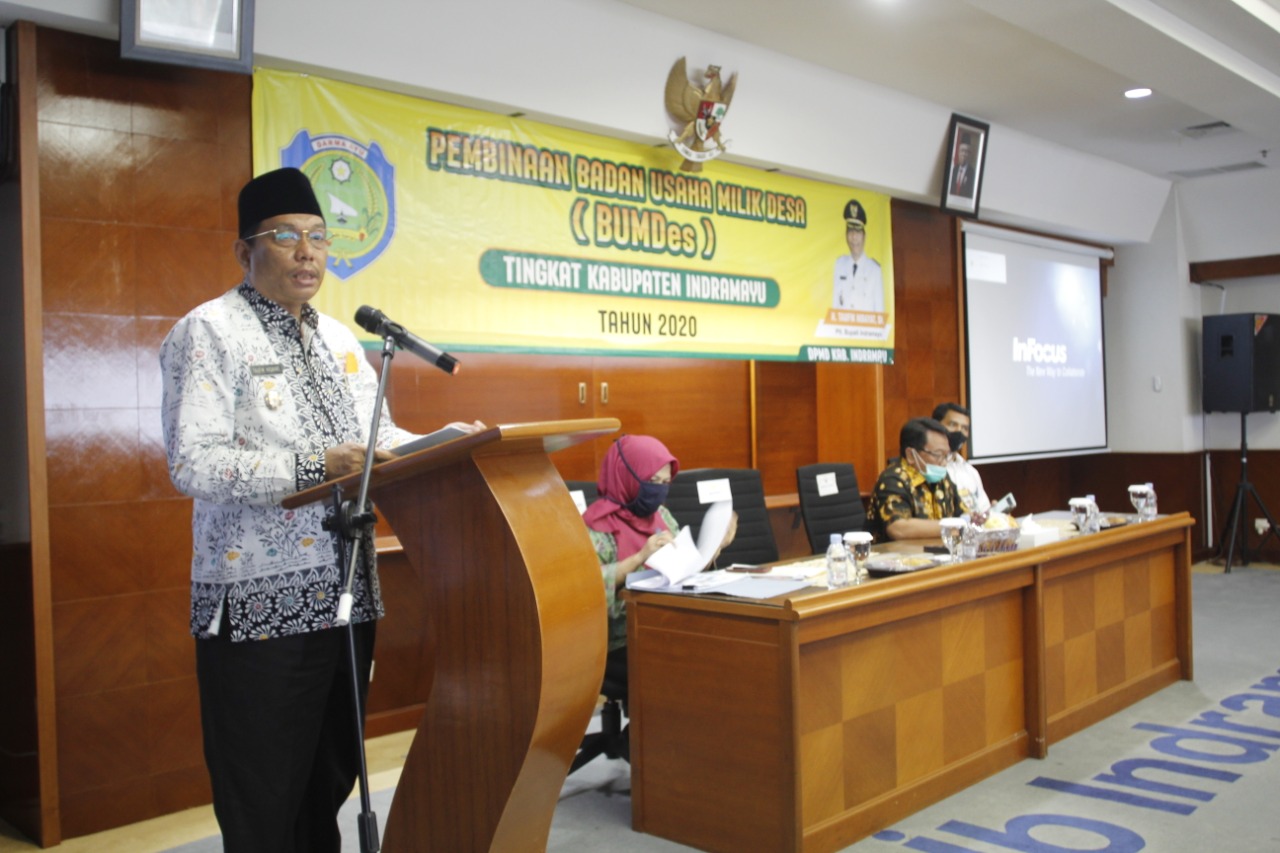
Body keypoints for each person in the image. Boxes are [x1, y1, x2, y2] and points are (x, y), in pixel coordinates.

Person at [160, 167, 482, 852]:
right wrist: (317, 466)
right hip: (256, 606)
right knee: (264, 795)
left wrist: (450, 442)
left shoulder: (342, 341)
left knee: (328, 782)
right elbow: (195, 461)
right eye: (286, 237)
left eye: (318, 237)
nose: (308, 252)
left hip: (345, 594)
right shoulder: (209, 332)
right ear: (245, 250)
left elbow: (379, 441)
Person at [582, 435, 736, 668]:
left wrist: (715, 547)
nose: (658, 491)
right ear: (626, 476)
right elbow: (585, 591)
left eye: (665, 483)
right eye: (652, 481)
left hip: (666, 625)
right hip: (619, 641)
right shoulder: (595, 525)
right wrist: (639, 558)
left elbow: (682, 573)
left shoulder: (661, 516)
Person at [867, 417, 963, 541]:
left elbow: (962, 514)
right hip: (895, 556)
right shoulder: (892, 480)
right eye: (938, 455)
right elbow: (898, 528)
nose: (944, 463)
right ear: (911, 455)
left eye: (947, 456)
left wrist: (975, 518)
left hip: (936, 552)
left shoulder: (941, 478)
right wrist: (952, 527)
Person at [932, 401, 991, 514]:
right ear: (936, 426)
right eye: (953, 425)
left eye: (964, 428)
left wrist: (992, 514)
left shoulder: (970, 471)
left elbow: (983, 509)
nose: (959, 431)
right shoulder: (928, 469)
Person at [831, 199, 885, 313]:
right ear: (846, 235)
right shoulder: (839, 265)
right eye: (850, 231)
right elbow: (835, 307)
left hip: (866, 331)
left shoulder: (875, 270)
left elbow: (879, 312)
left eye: (858, 232)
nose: (854, 237)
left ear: (864, 236)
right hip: (843, 330)